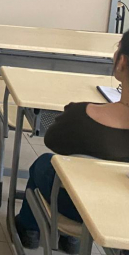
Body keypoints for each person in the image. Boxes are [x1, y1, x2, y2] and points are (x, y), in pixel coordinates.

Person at [14, 30, 129, 255]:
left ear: (122, 61)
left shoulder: (84, 115)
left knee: (46, 163)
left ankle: (30, 230)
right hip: (123, 216)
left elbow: (53, 141)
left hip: (78, 206)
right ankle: (74, 240)